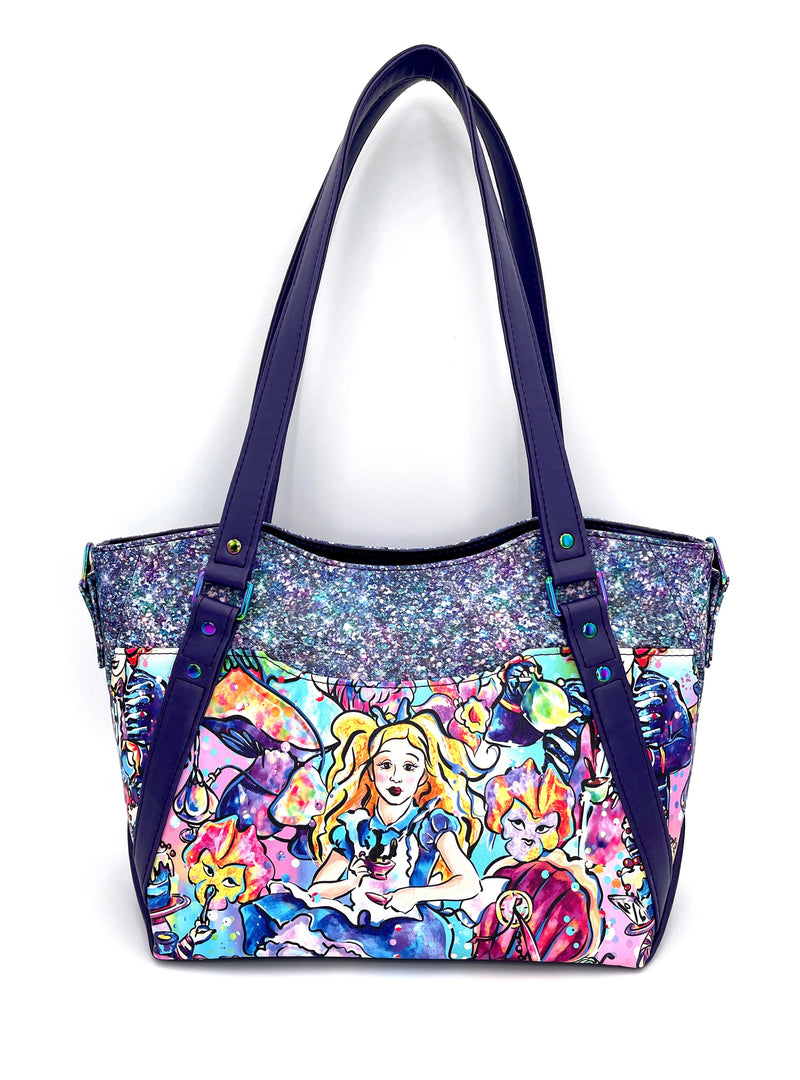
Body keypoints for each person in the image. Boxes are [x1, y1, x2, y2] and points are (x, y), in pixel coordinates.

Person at [242, 708, 483, 958]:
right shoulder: (355, 827)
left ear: (424, 776)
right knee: (287, 913)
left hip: (410, 932)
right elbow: (316, 892)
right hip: (359, 929)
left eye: (409, 766)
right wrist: (350, 882)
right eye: (386, 765)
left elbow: (469, 883)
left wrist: (414, 894)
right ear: (371, 771)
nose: (396, 777)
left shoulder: (429, 824)